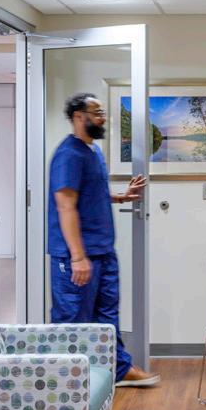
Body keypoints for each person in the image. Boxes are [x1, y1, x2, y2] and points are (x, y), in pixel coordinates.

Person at [48, 92, 159, 387]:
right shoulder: (68, 155)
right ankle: (66, 382)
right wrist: (78, 256)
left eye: (102, 112)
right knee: (73, 319)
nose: (102, 118)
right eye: (96, 113)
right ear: (78, 117)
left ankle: (118, 370)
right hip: (76, 256)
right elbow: (65, 206)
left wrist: (120, 196)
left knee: (107, 315)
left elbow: (90, 193)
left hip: (103, 251)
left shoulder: (93, 151)